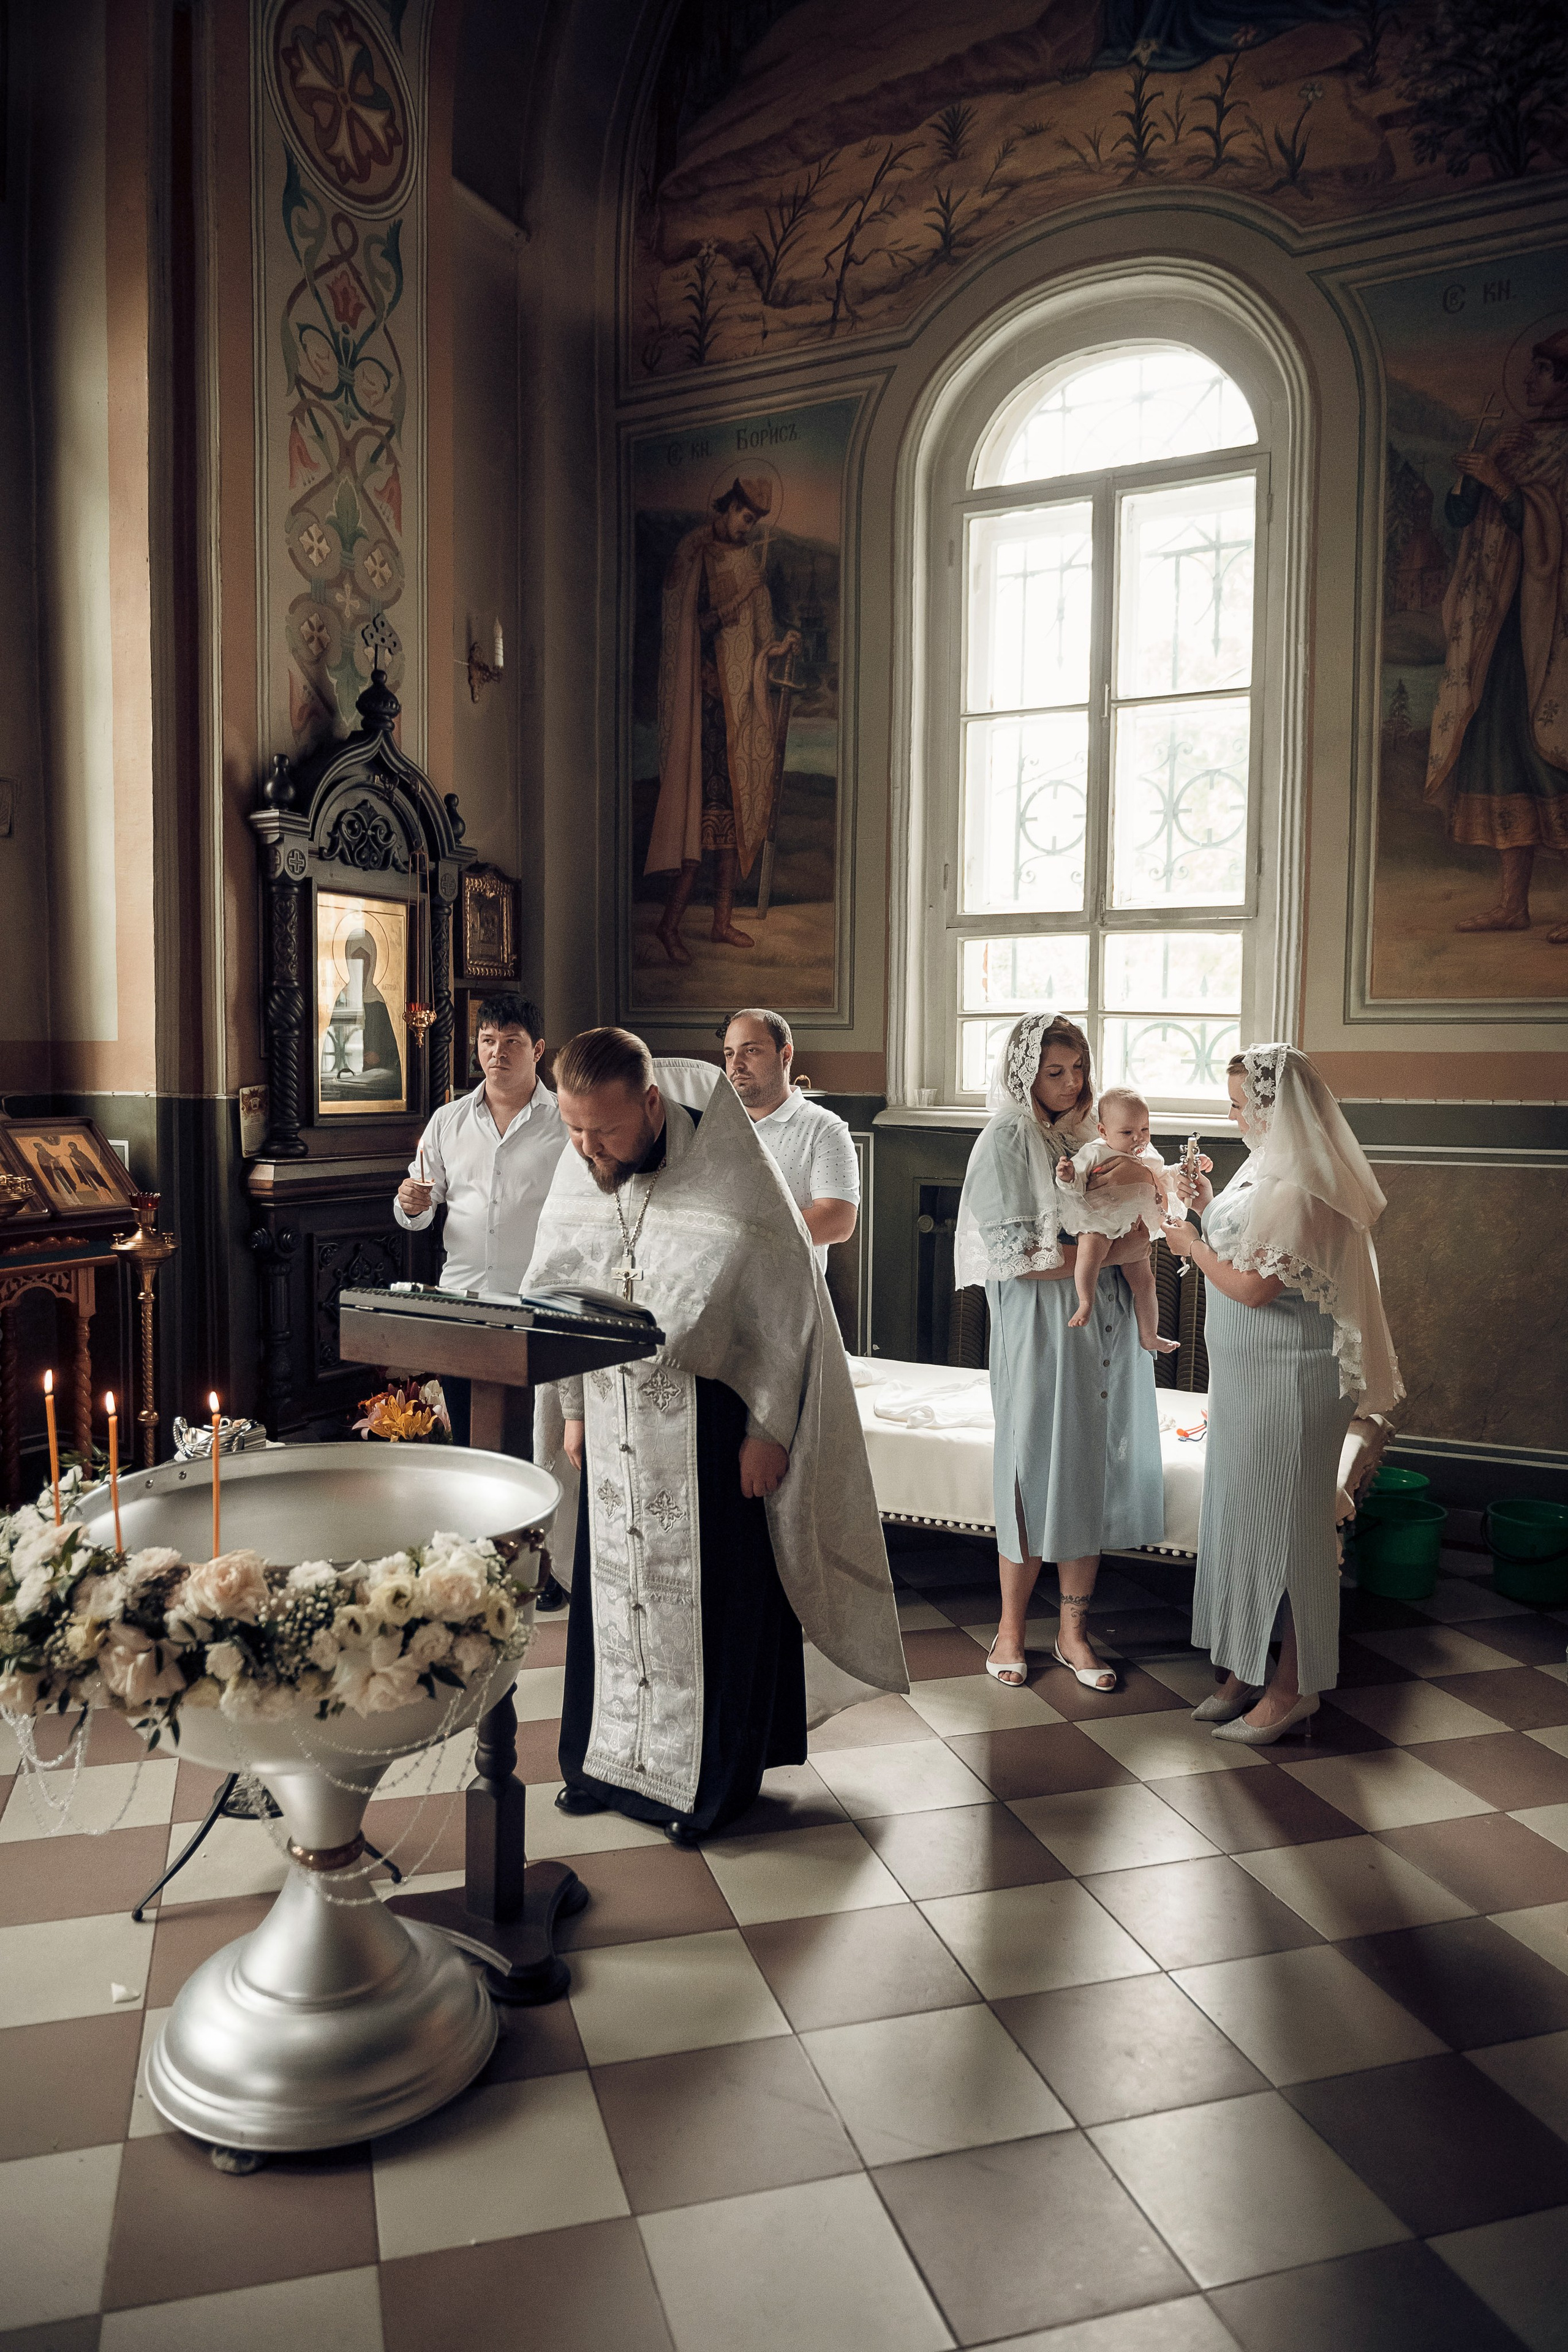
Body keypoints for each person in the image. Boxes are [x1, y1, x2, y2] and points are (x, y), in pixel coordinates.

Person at [527, 1025, 905, 1844]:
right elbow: (555, 1293)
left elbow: (786, 1305)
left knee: (715, 1604)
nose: (588, 1148)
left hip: (710, 1428)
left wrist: (770, 1428)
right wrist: (576, 1410)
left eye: (606, 1131)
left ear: (652, 1104)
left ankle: (709, 1788)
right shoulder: (580, 1163)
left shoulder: (734, 1172)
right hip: (612, 1419)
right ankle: (600, 1766)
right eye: (573, 1128)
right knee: (612, 1598)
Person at [1163, 1045, 1403, 1744]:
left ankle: (1295, 1690)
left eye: (1240, 1104)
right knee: (1240, 1521)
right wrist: (1207, 1208)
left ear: (1274, 1107)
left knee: (1294, 1536)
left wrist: (1187, 1244)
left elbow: (1252, 1285)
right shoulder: (1262, 1167)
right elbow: (1247, 1245)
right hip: (1246, 1376)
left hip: (1294, 1381)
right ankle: (1240, 1671)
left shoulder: (1307, 1181)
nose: (1231, 1115)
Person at [952, 1016, 1165, 1693]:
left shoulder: (1091, 1133)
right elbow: (1013, 1257)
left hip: (1105, 1317)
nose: (1071, 1083)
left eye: (1078, 1069)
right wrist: (1118, 1251)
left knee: (1089, 1462)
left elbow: (1137, 1218)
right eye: (1055, 1072)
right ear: (1025, 1074)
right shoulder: (1006, 1138)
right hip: (1041, 1324)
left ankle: (1073, 1629)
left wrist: (1134, 1242)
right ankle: (1010, 1627)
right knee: (1029, 1461)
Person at [393, 992, 569, 1604]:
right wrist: (410, 1204)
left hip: (539, 1305)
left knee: (535, 1445)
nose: (496, 1053)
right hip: (462, 1302)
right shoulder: (449, 1120)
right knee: (472, 1439)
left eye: (511, 1041)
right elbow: (418, 1202)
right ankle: (479, 1564)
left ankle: (540, 1569)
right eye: (487, 1040)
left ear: (538, 1050)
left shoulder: (563, 1120)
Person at [1425, 328, 1568, 939]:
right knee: (1499, 756)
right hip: (1495, 633)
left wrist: (1507, 487)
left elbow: (1550, 542)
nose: (1532, 380)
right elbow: (1462, 520)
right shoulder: (1516, 443)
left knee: (1551, 755)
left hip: (1547, 628)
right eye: (1532, 368)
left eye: (1546, 371)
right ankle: (1513, 903)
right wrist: (1478, 473)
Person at [646, 477, 800, 964]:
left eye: (754, 523)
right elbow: (701, 624)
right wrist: (739, 598)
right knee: (697, 825)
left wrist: (777, 648)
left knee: (731, 822)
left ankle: (720, 922)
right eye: (746, 517)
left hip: (734, 708)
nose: (748, 528)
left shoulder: (746, 562)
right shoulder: (699, 554)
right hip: (705, 711)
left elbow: (757, 641)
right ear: (731, 507)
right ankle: (669, 925)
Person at [722, 1007, 859, 1272]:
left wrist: (743, 1238)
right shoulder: (712, 1125)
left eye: (750, 1050)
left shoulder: (825, 1128)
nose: (736, 1064)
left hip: (790, 1297)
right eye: (729, 1054)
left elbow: (838, 1221)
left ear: (785, 1054)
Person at [1054, 1085, 1179, 1355]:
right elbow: (1076, 1185)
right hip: (1098, 1219)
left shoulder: (1148, 1153)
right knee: (1089, 1254)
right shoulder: (1095, 1152)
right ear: (1103, 1131)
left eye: (1144, 1130)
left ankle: (1149, 1335)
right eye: (1127, 1133)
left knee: (1145, 1281)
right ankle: (1086, 1301)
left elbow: (1162, 1176)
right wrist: (1066, 1177)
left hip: (1133, 1226)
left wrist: (1184, 1169)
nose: (1138, 1138)